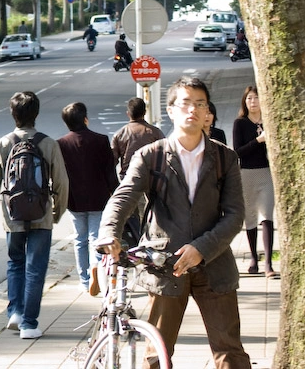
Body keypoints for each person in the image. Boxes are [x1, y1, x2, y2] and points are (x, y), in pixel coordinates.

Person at [98, 76, 251, 369]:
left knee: (230, 352)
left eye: (200, 104)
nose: (192, 110)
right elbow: (123, 197)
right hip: (166, 266)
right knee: (157, 352)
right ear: (170, 110)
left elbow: (234, 215)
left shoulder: (225, 158)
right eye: (185, 103)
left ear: (208, 112)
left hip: (215, 265)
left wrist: (202, 248)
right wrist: (108, 232)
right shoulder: (150, 156)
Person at [0, 91, 69, 340]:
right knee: (36, 269)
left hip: (12, 216)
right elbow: (61, 182)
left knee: (15, 262)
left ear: (13, 114)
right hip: (41, 216)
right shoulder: (49, 144)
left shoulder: (3, 144)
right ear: (36, 114)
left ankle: (15, 312)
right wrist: (57, 212)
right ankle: (29, 324)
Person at [57, 102, 118, 293]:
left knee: (79, 239)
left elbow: (59, 174)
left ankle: (84, 280)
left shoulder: (61, 144)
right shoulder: (100, 140)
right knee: (96, 239)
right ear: (85, 119)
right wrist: (115, 192)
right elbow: (110, 171)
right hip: (99, 197)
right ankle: (97, 271)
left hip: (74, 199)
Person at [232, 86, 276, 278]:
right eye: (249, 98)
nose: (253, 102)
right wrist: (258, 140)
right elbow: (237, 152)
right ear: (245, 101)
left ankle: (268, 262)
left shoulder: (269, 121)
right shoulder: (240, 123)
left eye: (256, 98)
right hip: (247, 173)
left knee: (267, 215)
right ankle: (252, 258)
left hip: (267, 172)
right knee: (250, 217)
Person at [111, 97, 165, 243]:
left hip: (127, 180)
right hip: (152, 180)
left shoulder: (120, 134)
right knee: (149, 216)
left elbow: (112, 162)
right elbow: (166, 157)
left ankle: (133, 244)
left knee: (127, 217)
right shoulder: (155, 132)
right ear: (145, 112)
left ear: (128, 113)